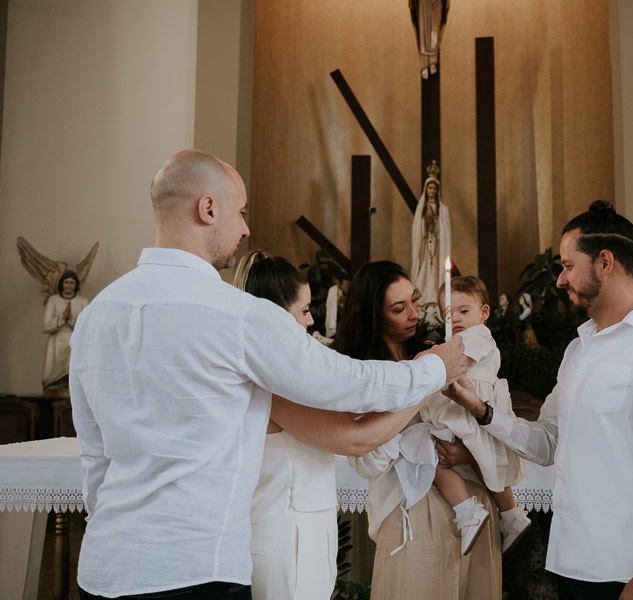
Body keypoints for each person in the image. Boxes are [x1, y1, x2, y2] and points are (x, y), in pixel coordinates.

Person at [69, 150, 467, 600]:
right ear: (208, 208)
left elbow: (95, 457)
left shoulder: (96, 315)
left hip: (105, 567)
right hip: (197, 571)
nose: (245, 228)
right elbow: (346, 381)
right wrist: (434, 367)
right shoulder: (238, 315)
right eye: (240, 212)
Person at [445, 201, 633, 600]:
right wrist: (481, 411)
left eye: (568, 265)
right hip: (573, 562)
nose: (559, 279)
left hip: (630, 570)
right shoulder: (579, 348)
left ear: (604, 262)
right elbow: (549, 442)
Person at [233, 251, 431, 600]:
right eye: (305, 310)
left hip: (309, 534)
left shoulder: (292, 375)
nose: (311, 322)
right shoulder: (273, 383)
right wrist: (429, 381)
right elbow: (356, 441)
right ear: (275, 317)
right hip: (283, 540)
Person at [341, 262, 502, 600]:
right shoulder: (362, 374)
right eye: (399, 308)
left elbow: (486, 418)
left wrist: (468, 452)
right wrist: (421, 385)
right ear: (373, 315)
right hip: (409, 512)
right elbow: (367, 462)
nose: (415, 314)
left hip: (471, 499)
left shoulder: (440, 351)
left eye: (415, 301)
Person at [419, 276, 531, 555]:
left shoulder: (476, 335)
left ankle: (468, 511)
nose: (455, 318)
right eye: (448, 312)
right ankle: (510, 516)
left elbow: (454, 365)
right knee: (486, 463)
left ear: (484, 313)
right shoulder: (464, 337)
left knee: (434, 459)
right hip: (469, 407)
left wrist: (426, 356)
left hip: (469, 407)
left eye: (463, 311)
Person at [411, 174, 451, 316]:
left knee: (435, 271)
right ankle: (423, 297)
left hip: (437, 246)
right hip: (425, 245)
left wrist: (435, 220)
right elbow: (416, 229)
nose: (432, 190)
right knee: (425, 268)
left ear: (437, 190)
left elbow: (446, 231)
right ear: (426, 189)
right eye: (430, 187)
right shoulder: (421, 207)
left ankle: (435, 297)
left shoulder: (443, 209)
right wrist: (425, 220)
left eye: (434, 188)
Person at [42, 270, 89, 389]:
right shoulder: (53, 300)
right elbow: (46, 325)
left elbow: (86, 326)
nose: (69, 285)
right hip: (56, 341)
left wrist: (71, 318)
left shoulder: (83, 302)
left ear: (76, 285)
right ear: (61, 283)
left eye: (72, 282)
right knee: (54, 376)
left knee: (72, 372)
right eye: (66, 282)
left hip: (74, 341)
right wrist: (62, 317)